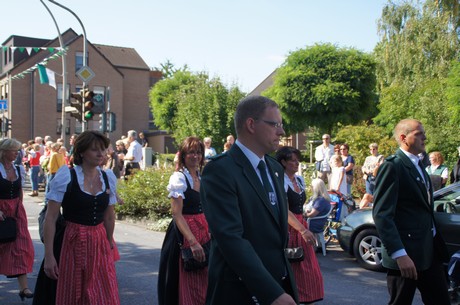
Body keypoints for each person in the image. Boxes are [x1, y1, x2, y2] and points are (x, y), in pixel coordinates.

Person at [201, 95, 298, 305]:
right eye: (275, 125)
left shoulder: (274, 169)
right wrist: (271, 293)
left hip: (278, 284)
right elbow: (230, 238)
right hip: (239, 291)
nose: (281, 132)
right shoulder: (220, 171)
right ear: (251, 124)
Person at [373, 119, 450, 305]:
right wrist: (400, 254)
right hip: (407, 255)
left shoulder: (419, 164)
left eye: (423, 133)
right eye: (419, 133)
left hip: (428, 251)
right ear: (403, 138)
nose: (424, 137)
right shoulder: (393, 166)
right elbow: (382, 215)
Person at [42, 130, 120, 305]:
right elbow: (51, 217)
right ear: (82, 152)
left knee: (103, 292)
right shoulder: (66, 175)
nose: (101, 154)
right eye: (94, 150)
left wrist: (109, 241)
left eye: (103, 149)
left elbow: (109, 216)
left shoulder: (107, 177)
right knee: (73, 291)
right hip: (72, 240)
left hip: (98, 241)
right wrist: (49, 256)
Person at [158, 136, 210, 305]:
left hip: (203, 232)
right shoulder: (178, 178)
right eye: (191, 153)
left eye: (198, 152)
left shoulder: (201, 178)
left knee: (204, 280)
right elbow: (177, 214)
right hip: (185, 234)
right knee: (186, 281)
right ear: (183, 156)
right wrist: (193, 242)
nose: (195, 156)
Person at [275, 146, 324, 304]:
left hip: (301, 223)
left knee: (308, 268)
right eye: (292, 161)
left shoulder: (299, 180)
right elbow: (284, 210)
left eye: (297, 160)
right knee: (294, 265)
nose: (297, 164)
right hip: (290, 227)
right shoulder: (280, 181)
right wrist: (302, 230)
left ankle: (306, 298)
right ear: (283, 162)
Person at [0, 138, 35, 301]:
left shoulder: (18, 168)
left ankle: (24, 288)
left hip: (15, 210)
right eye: (14, 150)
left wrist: (19, 208)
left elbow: (19, 191)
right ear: (4, 151)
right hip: (1, 210)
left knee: (21, 247)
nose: (17, 153)